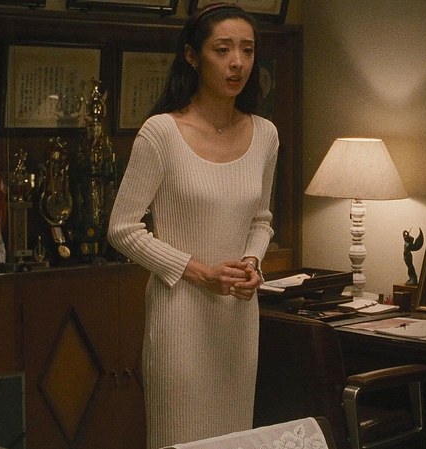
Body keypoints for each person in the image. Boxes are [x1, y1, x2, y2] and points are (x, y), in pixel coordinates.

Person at [106, 4, 278, 448]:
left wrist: (252, 263)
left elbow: (261, 219)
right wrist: (200, 273)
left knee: (236, 440)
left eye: (247, 51)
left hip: (238, 319)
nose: (237, 62)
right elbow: (122, 228)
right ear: (192, 55)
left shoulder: (265, 134)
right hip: (179, 317)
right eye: (222, 50)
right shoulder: (160, 133)